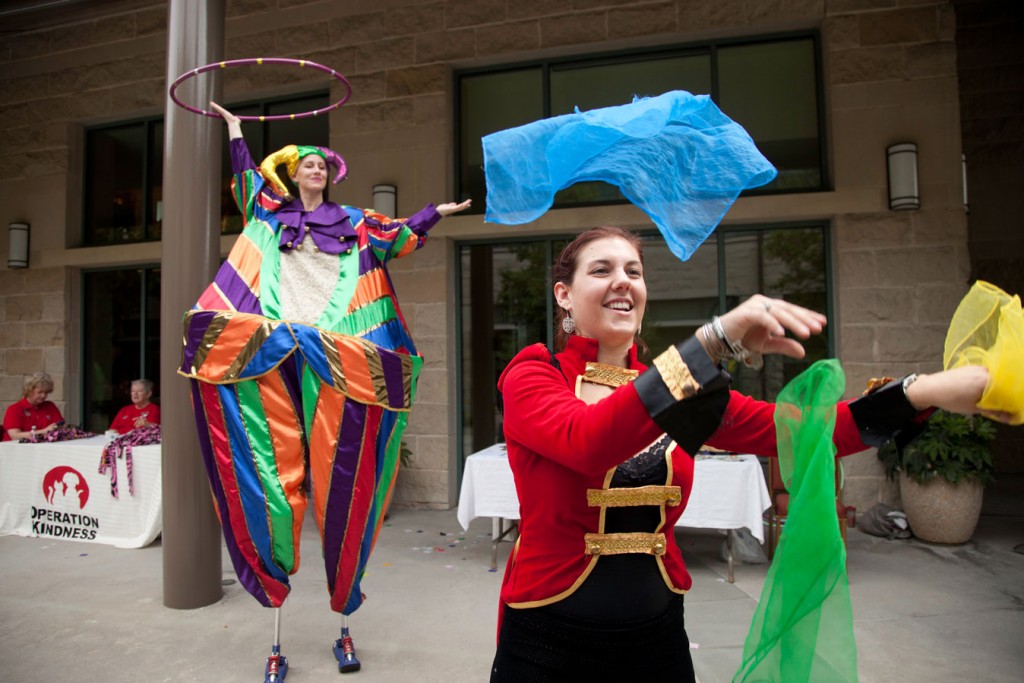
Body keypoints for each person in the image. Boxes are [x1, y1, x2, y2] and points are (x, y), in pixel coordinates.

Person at [489, 226, 1009, 682]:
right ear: (564, 294)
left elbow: (808, 432)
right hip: (547, 642)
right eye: (601, 270)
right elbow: (588, 440)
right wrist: (713, 340)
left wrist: (925, 391)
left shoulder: (675, 387)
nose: (623, 281)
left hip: (658, 640)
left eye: (634, 270)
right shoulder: (534, 375)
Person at [179, 101, 470, 677]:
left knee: (348, 487)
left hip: (342, 352)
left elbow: (400, 236)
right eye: (306, 163)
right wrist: (236, 131)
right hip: (268, 347)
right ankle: (276, 629)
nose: (314, 169)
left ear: (332, 174)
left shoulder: (357, 222)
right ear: (292, 172)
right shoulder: (268, 211)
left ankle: (345, 619)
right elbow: (244, 178)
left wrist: (436, 211)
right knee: (267, 480)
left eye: (322, 165)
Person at [3, 372, 64, 442]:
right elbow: (15, 436)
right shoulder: (14, 409)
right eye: (40, 392)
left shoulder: (50, 406)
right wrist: (44, 431)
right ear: (29, 391)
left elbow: (61, 427)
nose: (44, 395)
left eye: (46, 392)